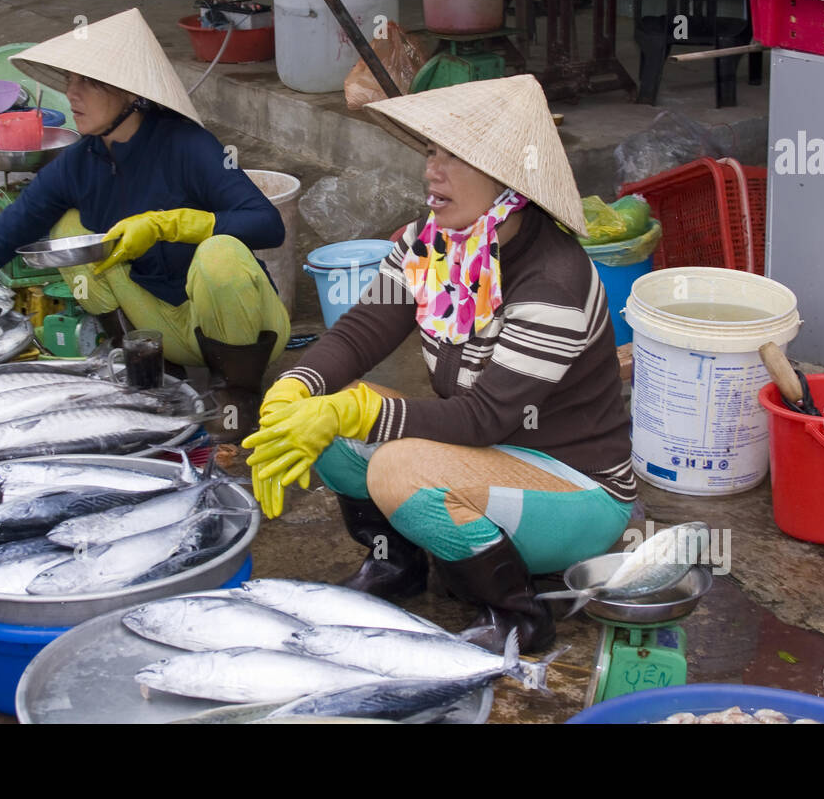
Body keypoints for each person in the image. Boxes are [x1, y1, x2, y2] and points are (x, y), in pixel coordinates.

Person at [242, 75, 635, 655]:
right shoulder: (432, 244)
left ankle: (518, 615)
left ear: (510, 180)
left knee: (396, 467)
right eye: (432, 151)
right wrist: (293, 390)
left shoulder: (554, 278)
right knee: (319, 418)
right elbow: (361, 330)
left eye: (458, 157)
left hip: (577, 491)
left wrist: (362, 410)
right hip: (492, 453)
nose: (433, 170)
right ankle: (395, 565)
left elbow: (484, 419)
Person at [0, 9, 290, 436]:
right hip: (157, 319)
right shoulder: (79, 163)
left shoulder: (188, 145)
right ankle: (145, 358)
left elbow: (267, 224)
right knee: (68, 230)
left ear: (130, 92)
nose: (72, 93)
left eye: (88, 82)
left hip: (235, 325)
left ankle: (237, 391)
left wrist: (170, 225)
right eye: (71, 81)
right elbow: (1, 236)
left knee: (220, 252)